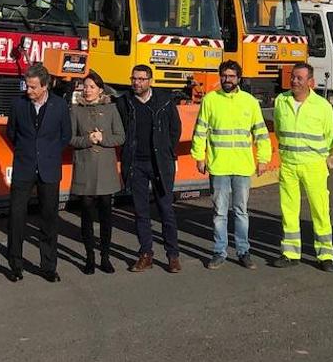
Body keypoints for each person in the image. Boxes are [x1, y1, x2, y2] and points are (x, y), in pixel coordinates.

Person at [192, 60, 271, 270]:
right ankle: (219, 251)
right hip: (219, 166)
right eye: (224, 76)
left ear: (239, 78)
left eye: (231, 76)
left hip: (243, 167)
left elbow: (261, 133)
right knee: (219, 213)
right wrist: (199, 157)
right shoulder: (210, 100)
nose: (227, 80)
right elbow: (200, 132)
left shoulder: (250, 102)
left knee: (241, 211)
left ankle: (243, 251)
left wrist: (263, 159)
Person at [5, 64, 72, 283]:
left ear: (45, 86)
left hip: (49, 169)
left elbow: (65, 136)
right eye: (27, 85)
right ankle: (15, 265)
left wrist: (47, 154)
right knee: (16, 217)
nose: (29, 90)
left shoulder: (60, 106)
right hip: (23, 167)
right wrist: (28, 152)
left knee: (49, 219)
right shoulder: (18, 104)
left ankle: (48, 266)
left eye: (33, 87)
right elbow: (11, 133)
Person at [115, 64, 183, 273]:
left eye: (142, 79)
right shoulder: (125, 102)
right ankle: (146, 254)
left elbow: (175, 129)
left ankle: (172, 255)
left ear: (150, 80)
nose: (137, 82)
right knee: (141, 212)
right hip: (136, 163)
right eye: (134, 78)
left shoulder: (164, 101)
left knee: (166, 211)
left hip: (160, 164)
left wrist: (167, 151)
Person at [271, 62, 333, 271]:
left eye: (300, 78)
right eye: (293, 77)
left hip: (314, 165)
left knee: (320, 210)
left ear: (310, 82)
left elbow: (331, 137)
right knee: (289, 210)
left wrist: (319, 156)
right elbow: (280, 131)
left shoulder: (322, 106)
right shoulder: (282, 101)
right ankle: (290, 252)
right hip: (289, 164)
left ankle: (325, 255)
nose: (294, 81)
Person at [69, 70, 124, 275]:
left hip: (106, 170)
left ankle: (105, 257)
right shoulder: (75, 110)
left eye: (92, 87)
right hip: (84, 168)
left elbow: (121, 137)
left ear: (100, 89)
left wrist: (102, 138)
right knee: (86, 215)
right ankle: (89, 257)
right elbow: (70, 138)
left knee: (106, 216)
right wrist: (86, 140)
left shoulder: (110, 109)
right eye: (85, 86)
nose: (88, 90)